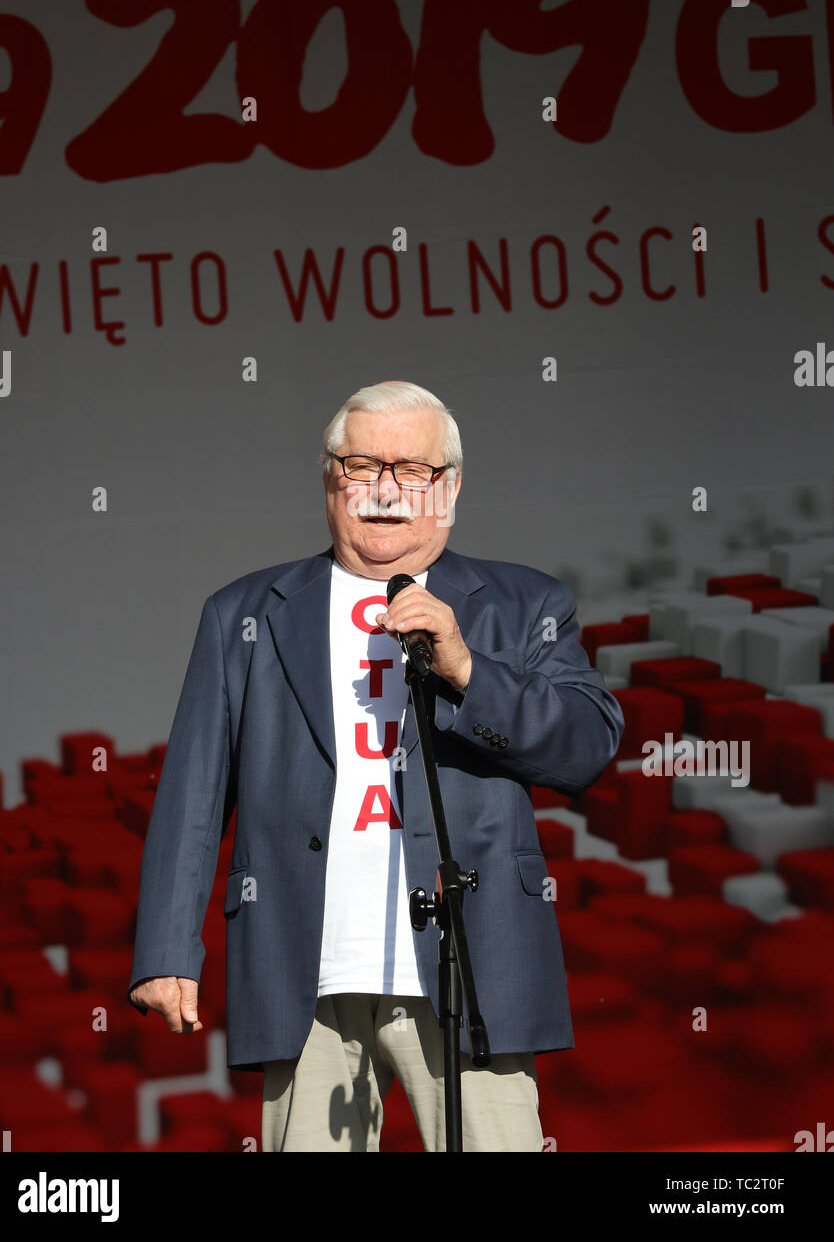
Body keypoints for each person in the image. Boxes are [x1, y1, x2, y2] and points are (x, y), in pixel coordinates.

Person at [128, 380, 624, 1151]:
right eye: (362, 468)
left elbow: (588, 746)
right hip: (306, 967)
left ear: (450, 488)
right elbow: (192, 794)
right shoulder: (246, 613)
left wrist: (467, 670)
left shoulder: (525, 603)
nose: (387, 492)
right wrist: (165, 949)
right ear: (330, 479)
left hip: (472, 964)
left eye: (413, 472)